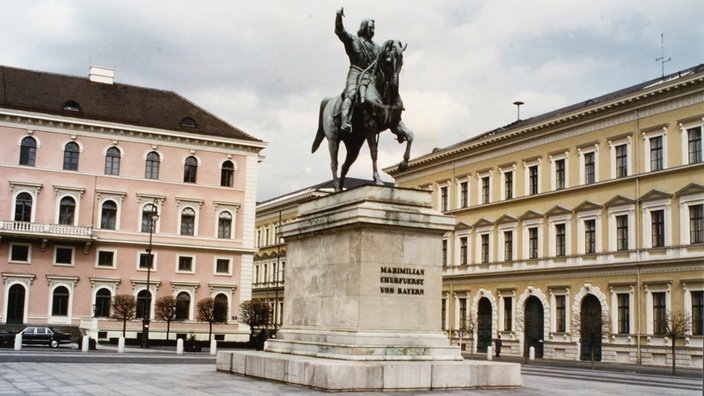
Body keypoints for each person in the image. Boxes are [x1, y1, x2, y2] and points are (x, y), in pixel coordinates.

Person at [335, 7, 379, 134]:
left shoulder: (377, 47)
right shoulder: (353, 40)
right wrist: (338, 16)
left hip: (370, 76)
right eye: (370, 28)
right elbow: (340, 31)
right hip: (356, 72)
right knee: (352, 94)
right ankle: (345, 122)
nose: (372, 30)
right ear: (364, 28)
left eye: (374, 28)